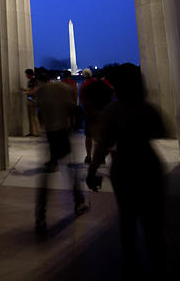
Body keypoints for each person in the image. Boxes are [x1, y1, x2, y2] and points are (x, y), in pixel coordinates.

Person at [86, 63, 166, 281]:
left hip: (125, 166)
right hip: (149, 164)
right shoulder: (148, 108)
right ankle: (157, 264)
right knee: (153, 221)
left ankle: (131, 265)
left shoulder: (114, 110)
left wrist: (92, 170)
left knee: (127, 218)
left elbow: (102, 145)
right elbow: (160, 131)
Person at [34, 69, 88, 231]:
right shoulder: (65, 89)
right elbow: (73, 110)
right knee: (70, 172)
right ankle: (78, 202)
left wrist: (45, 126)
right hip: (63, 133)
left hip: (50, 134)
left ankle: (40, 215)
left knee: (47, 175)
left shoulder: (42, 91)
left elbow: (40, 113)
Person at [79, 68, 114, 164]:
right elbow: (112, 94)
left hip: (91, 113)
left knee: (89, 136)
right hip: (104, 113)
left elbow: (82, 99)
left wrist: (87, 109)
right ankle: (101, 156)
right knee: (103, 136)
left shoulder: (85, 85)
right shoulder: (106, 84)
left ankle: (89, 156)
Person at [20, 68, 42, 136]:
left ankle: (36, 132)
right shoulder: (31, 81)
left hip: (33, 100)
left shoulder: (34, 80)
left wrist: (28, 93)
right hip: (30, 99)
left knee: (33, 116)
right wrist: (24, 90)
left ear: (29, 74)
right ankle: (33, 131)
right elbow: (31, 89)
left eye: (26, 74)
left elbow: (35, 89)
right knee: (31, 116)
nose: (25, 75)